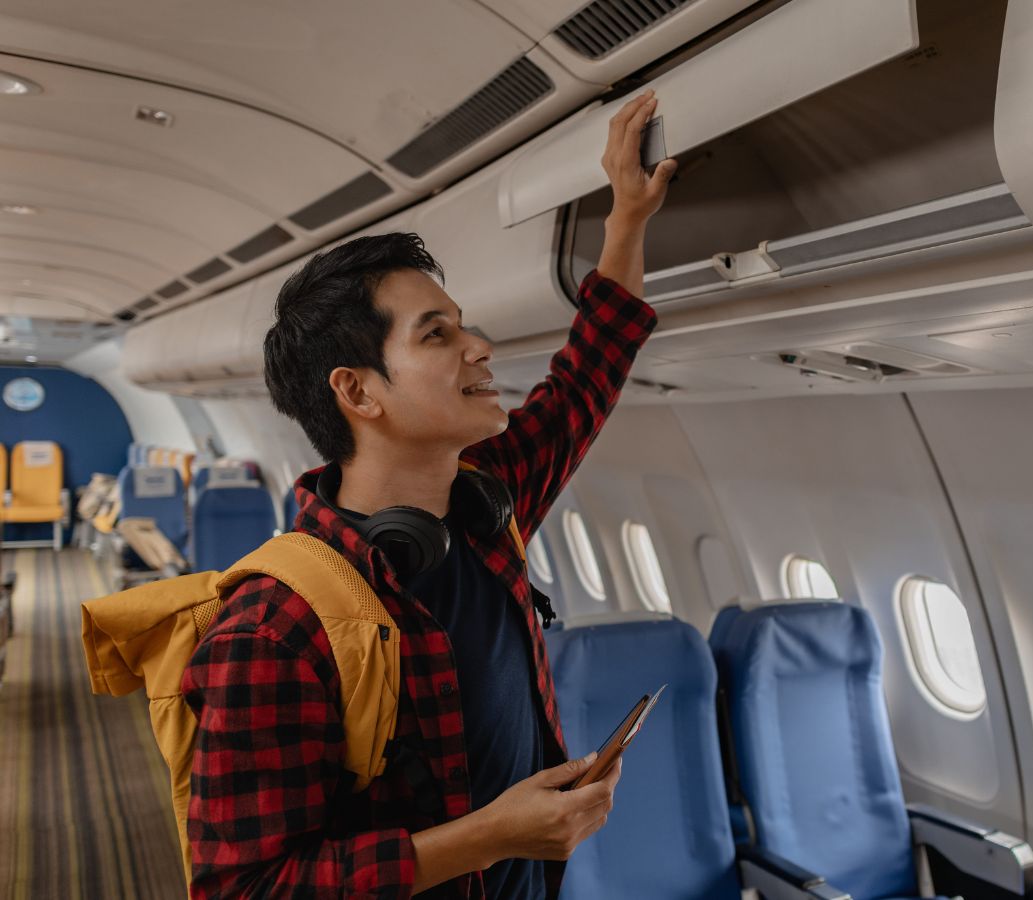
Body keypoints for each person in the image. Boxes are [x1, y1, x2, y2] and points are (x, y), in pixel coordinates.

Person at [180, 91, 677, 898]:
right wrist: (487, 839)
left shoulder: (485, 509)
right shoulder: (275, 628)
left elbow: (590, 372)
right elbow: (244, 888)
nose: (479, 346)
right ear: (357, 391)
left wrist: (626, 217)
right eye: (437, 335)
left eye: (461, 324)